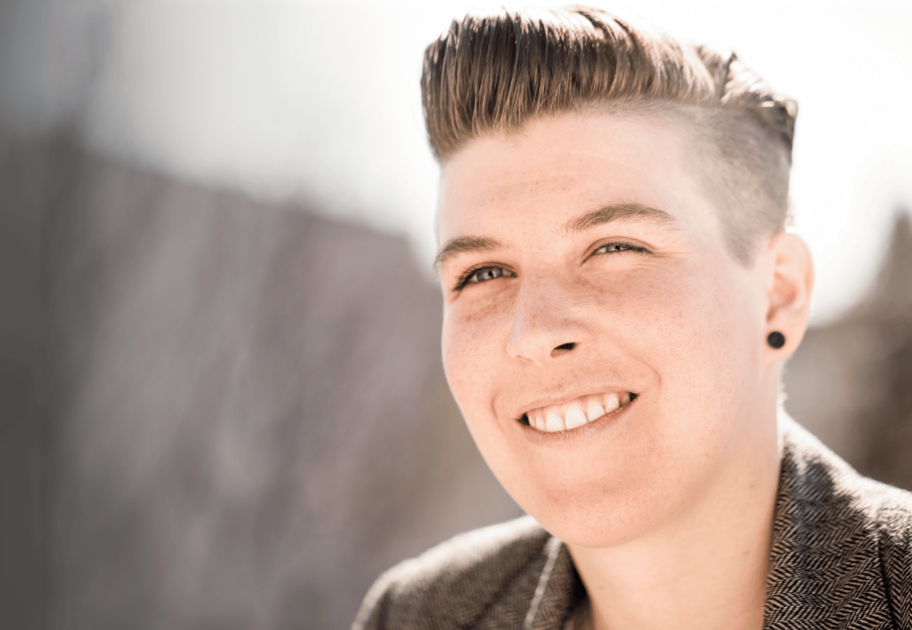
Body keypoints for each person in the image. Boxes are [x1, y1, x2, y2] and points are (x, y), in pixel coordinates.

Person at [353, 7, 912, 630]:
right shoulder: (415, 616)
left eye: (616, 247)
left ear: (778, 295)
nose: (535, 331)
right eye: (483, 273)